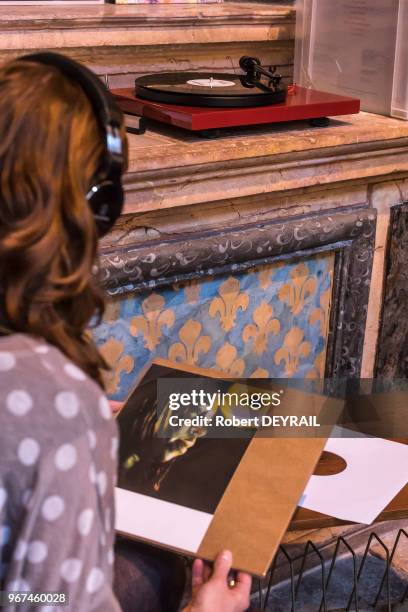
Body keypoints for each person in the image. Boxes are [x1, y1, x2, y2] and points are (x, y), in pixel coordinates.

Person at [0, 53, 251, 612]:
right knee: (162, 565)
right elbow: (43, 602)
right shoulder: (55, 399)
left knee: (147, 562)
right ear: (96, 205)